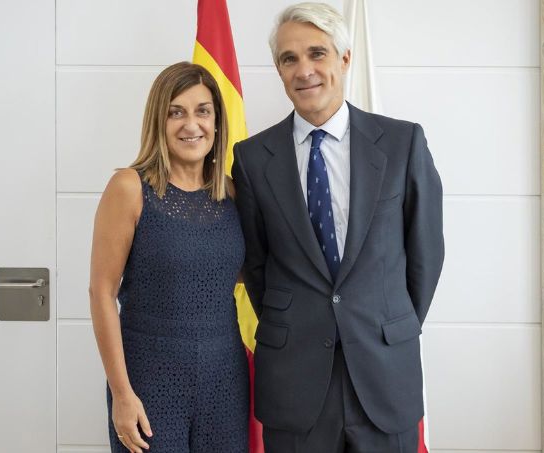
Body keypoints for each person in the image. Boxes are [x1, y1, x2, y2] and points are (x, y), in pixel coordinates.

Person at [231, 3, 444, 452]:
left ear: (344, 59)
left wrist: (387, 321)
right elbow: (256, 265)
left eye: (317, 53)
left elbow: (425, 254)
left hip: (384, 374)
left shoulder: (403, 143)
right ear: (278, 69)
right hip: (295, 382)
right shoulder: (251, 159)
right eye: (289, 59)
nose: (304, 70)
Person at [89, 62, 249, 453]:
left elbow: (240, 274)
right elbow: (101, 293)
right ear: (158, 121)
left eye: (202, 111)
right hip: (149, 381)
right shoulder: (129, 188)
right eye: (176, 112)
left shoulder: (233, 194)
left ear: (217, 122)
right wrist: (121, 394)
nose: (191, 124)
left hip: (225, 383)